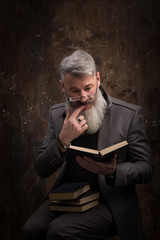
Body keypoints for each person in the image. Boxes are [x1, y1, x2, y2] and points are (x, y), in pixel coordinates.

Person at [22, 50, 153, 240]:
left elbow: (147, 168)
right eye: (74, 91)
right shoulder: (56, 113)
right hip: (67, 196)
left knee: (58, 231)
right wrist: (62, 140)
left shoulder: (129, 115)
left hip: (109, 201)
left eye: (88, 88)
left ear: (98, 79)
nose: (83, 98)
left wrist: (114, 171)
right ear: (63, 87)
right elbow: (41, 169)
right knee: (31, 229)